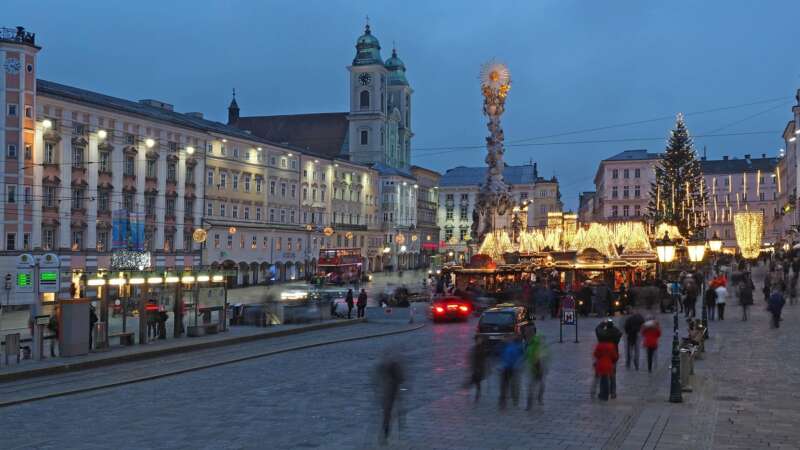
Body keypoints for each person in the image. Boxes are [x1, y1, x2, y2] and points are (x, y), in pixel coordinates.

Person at [375, 352, 406, 443]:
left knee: (387, 414)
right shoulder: (394, 365)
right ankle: (388, 433)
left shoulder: (382, 367)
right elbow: (401, 379)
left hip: (385, 393)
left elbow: (378, 379)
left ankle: (385, 434)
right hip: (392, 393)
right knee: (391, 413)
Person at [595, 318, 622, 398]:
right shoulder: (616, 334)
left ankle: (602, 392)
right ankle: (613, 392)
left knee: (603, 376)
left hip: (603, 357)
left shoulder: (602, 335)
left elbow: (597, 329)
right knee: (612, 375)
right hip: (613, 355)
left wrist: (603, 323)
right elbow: (620, 333)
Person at [498, 335, 524, 409]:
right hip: (510, 369)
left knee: (506, 385)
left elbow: (504, 356)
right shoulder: (514, 347)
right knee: (511, 385)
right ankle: (513, 400)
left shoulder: (511, 347)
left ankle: (505, 400)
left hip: (509, 368)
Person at [525, 334, 547, 409]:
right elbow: (527, 357)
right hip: (534, 369)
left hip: (538, 369)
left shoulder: (542, 348)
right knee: (532, 386)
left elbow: (545, 358)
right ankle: (530, 403)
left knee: (539, 385)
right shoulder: (533, 348)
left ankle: (537, 399)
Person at [464, 335, 489, 401]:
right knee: (475, 381)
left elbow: (484, 358)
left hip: (480, 368)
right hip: (476, 368)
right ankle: (474, 394)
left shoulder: (482, 348)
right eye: (478, 340)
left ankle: (476, 395)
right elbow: (471, 358)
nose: (479, 341)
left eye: (480, 339)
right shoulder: (475, 348)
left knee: (476, 381)